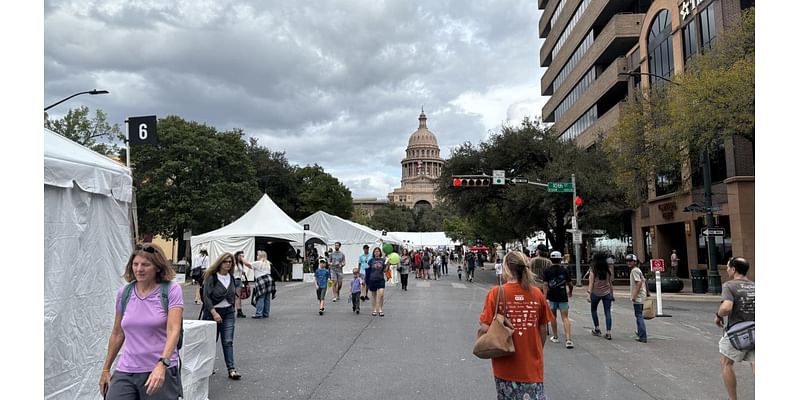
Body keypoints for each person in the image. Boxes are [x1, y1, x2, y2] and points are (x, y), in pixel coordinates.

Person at [99, 243, 184, 399]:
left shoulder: (171, 290)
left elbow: (174, 330)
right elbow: (118, 334)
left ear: (158, 267)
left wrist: (162, 365)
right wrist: (106, 369)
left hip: (158, 369)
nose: (139, 269)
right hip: (127, 368)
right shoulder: (124, 293)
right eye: (135, 264)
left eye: (145, 265)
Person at [479, 251, 553, 400]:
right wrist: (535, 349)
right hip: (532, 365)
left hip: (505, 364)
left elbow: (485, 327)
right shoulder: (537, 294)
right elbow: (543, 329)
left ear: (506, 268)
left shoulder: (496, 293)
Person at [715, 257, 755, 400]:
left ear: (733, 269)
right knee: (756, 363)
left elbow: (726, 307)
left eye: (728, 267)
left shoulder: (729, 285)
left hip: (738, 332)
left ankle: (733, 399)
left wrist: (718, 316)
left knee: (726, 363)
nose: (727, 270)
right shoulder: (755, 286)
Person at [201, 253, 241, 380]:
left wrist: (233, 306)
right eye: (225, 261)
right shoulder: (211, 277)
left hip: (228, 312)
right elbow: (206, 297)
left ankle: (231, 369)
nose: (228, 264)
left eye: (230, 262)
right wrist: (214, 312)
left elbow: (234, 294)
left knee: (228, 341)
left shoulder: (231, 277)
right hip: (212, 312)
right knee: (211, 342)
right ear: (220, 263)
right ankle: (206, 368)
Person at [543, 251, 574, 349]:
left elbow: (545, 285)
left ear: (550, 259)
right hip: (562, 296)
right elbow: (570, 283)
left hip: (552, 297)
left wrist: (544, 297)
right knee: (565, 317)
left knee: (553, 317)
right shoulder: (564, 270)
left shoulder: (547, 271)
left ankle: (555, 336)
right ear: (560, 259)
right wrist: (570, 292)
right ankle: (568, 339)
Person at [588, 253, 614, 340]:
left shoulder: (593, 270)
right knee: (607, 312)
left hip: (595, 293)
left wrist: (589, 294)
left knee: (593, 310)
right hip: (606, 293)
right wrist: (612, 294)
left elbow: (591, 283)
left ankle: (597, 328)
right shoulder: (608, 270)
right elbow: (610, 283)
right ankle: (608, 332)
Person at [627, 254, 648, 343]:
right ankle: (640, 332)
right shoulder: (638, 270)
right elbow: (644, 281)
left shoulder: (634, 271)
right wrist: (648, 293)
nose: (629, 262)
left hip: (638, 297)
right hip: (642, 295)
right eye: (627, 261)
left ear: (635, 262)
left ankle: (642, 335)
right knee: (639, 315)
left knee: (639, 315)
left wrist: (634, 296)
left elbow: (639, 283)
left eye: (631, 261)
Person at [248, 250, 275, 319]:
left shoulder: (257, 263)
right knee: (267, 298)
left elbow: (247, 264)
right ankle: (266, 313)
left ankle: (259, 313)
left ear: (260, 256)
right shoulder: (268, 263)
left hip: (261, 281)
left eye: (257, 255)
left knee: (260, 297)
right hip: (269, 280)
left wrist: (241, 258)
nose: (256, 256)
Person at [366, 247, 388, 316]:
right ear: (373, 253)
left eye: (378, 251)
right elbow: (368, 270)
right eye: (375, 251)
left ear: (380, 252)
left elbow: (385, 270)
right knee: (373, 295)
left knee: (381, 294)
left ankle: (380, 309)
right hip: (372, 279)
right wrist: (365, 279)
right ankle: (374, 309)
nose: (377, 253)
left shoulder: (383, 260)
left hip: (380, 279)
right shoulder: (371, 260)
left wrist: (388, 264)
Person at [233, 251, 251, 318]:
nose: (242, 257)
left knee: (238, 297)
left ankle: (239, 311)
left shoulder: (240, 264)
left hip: (239, 280)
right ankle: (231, 311)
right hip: (233, 280)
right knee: (231, 296)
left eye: (243, 256)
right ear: (237, 256)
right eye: (240, 256)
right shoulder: (233, 263)